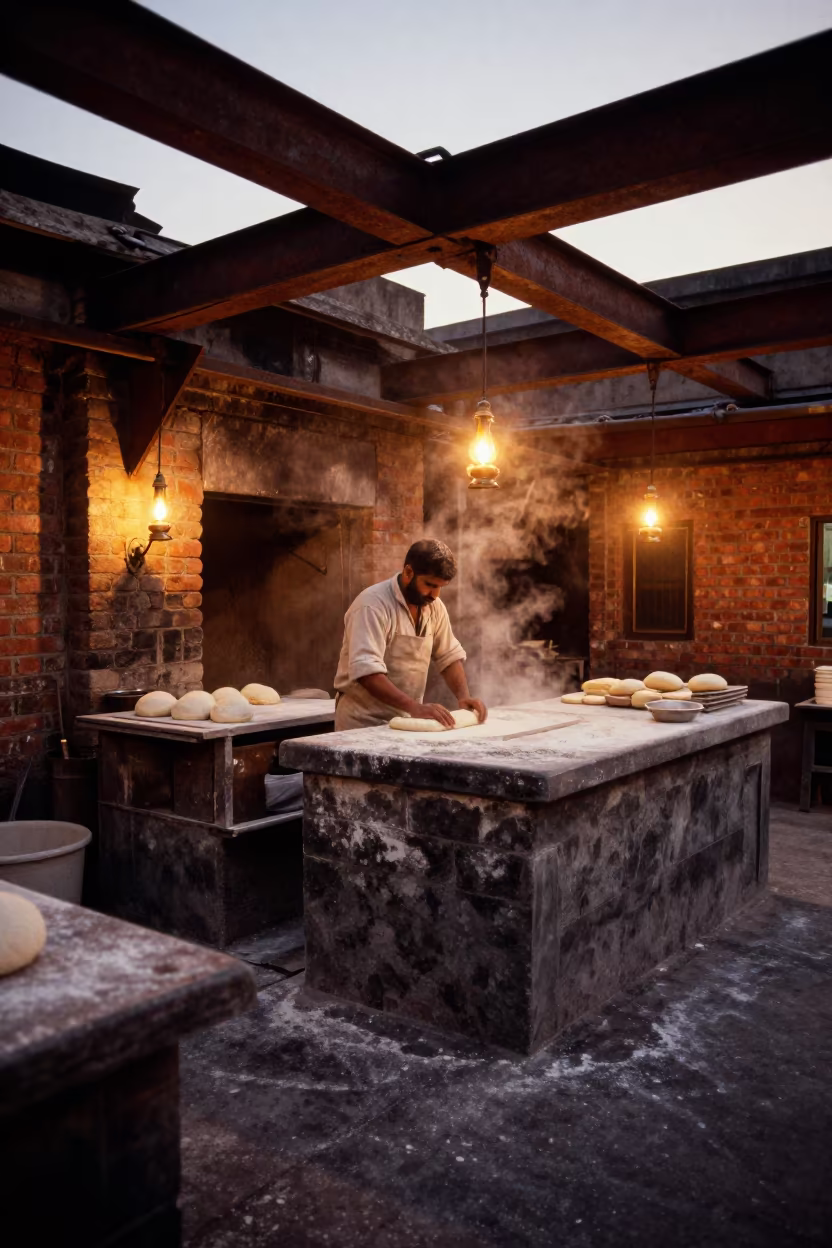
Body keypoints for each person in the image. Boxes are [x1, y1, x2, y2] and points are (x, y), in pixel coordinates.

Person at [333, 539, 487, 731]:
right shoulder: (372, 605)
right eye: (430, 585)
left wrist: (463, 697)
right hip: (362, 721)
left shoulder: (434, 607)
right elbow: (367, 671)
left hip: (406, 720)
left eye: (440, 587)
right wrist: (414, 707)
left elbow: (448, 656)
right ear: (408, 572)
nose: (435, 595)